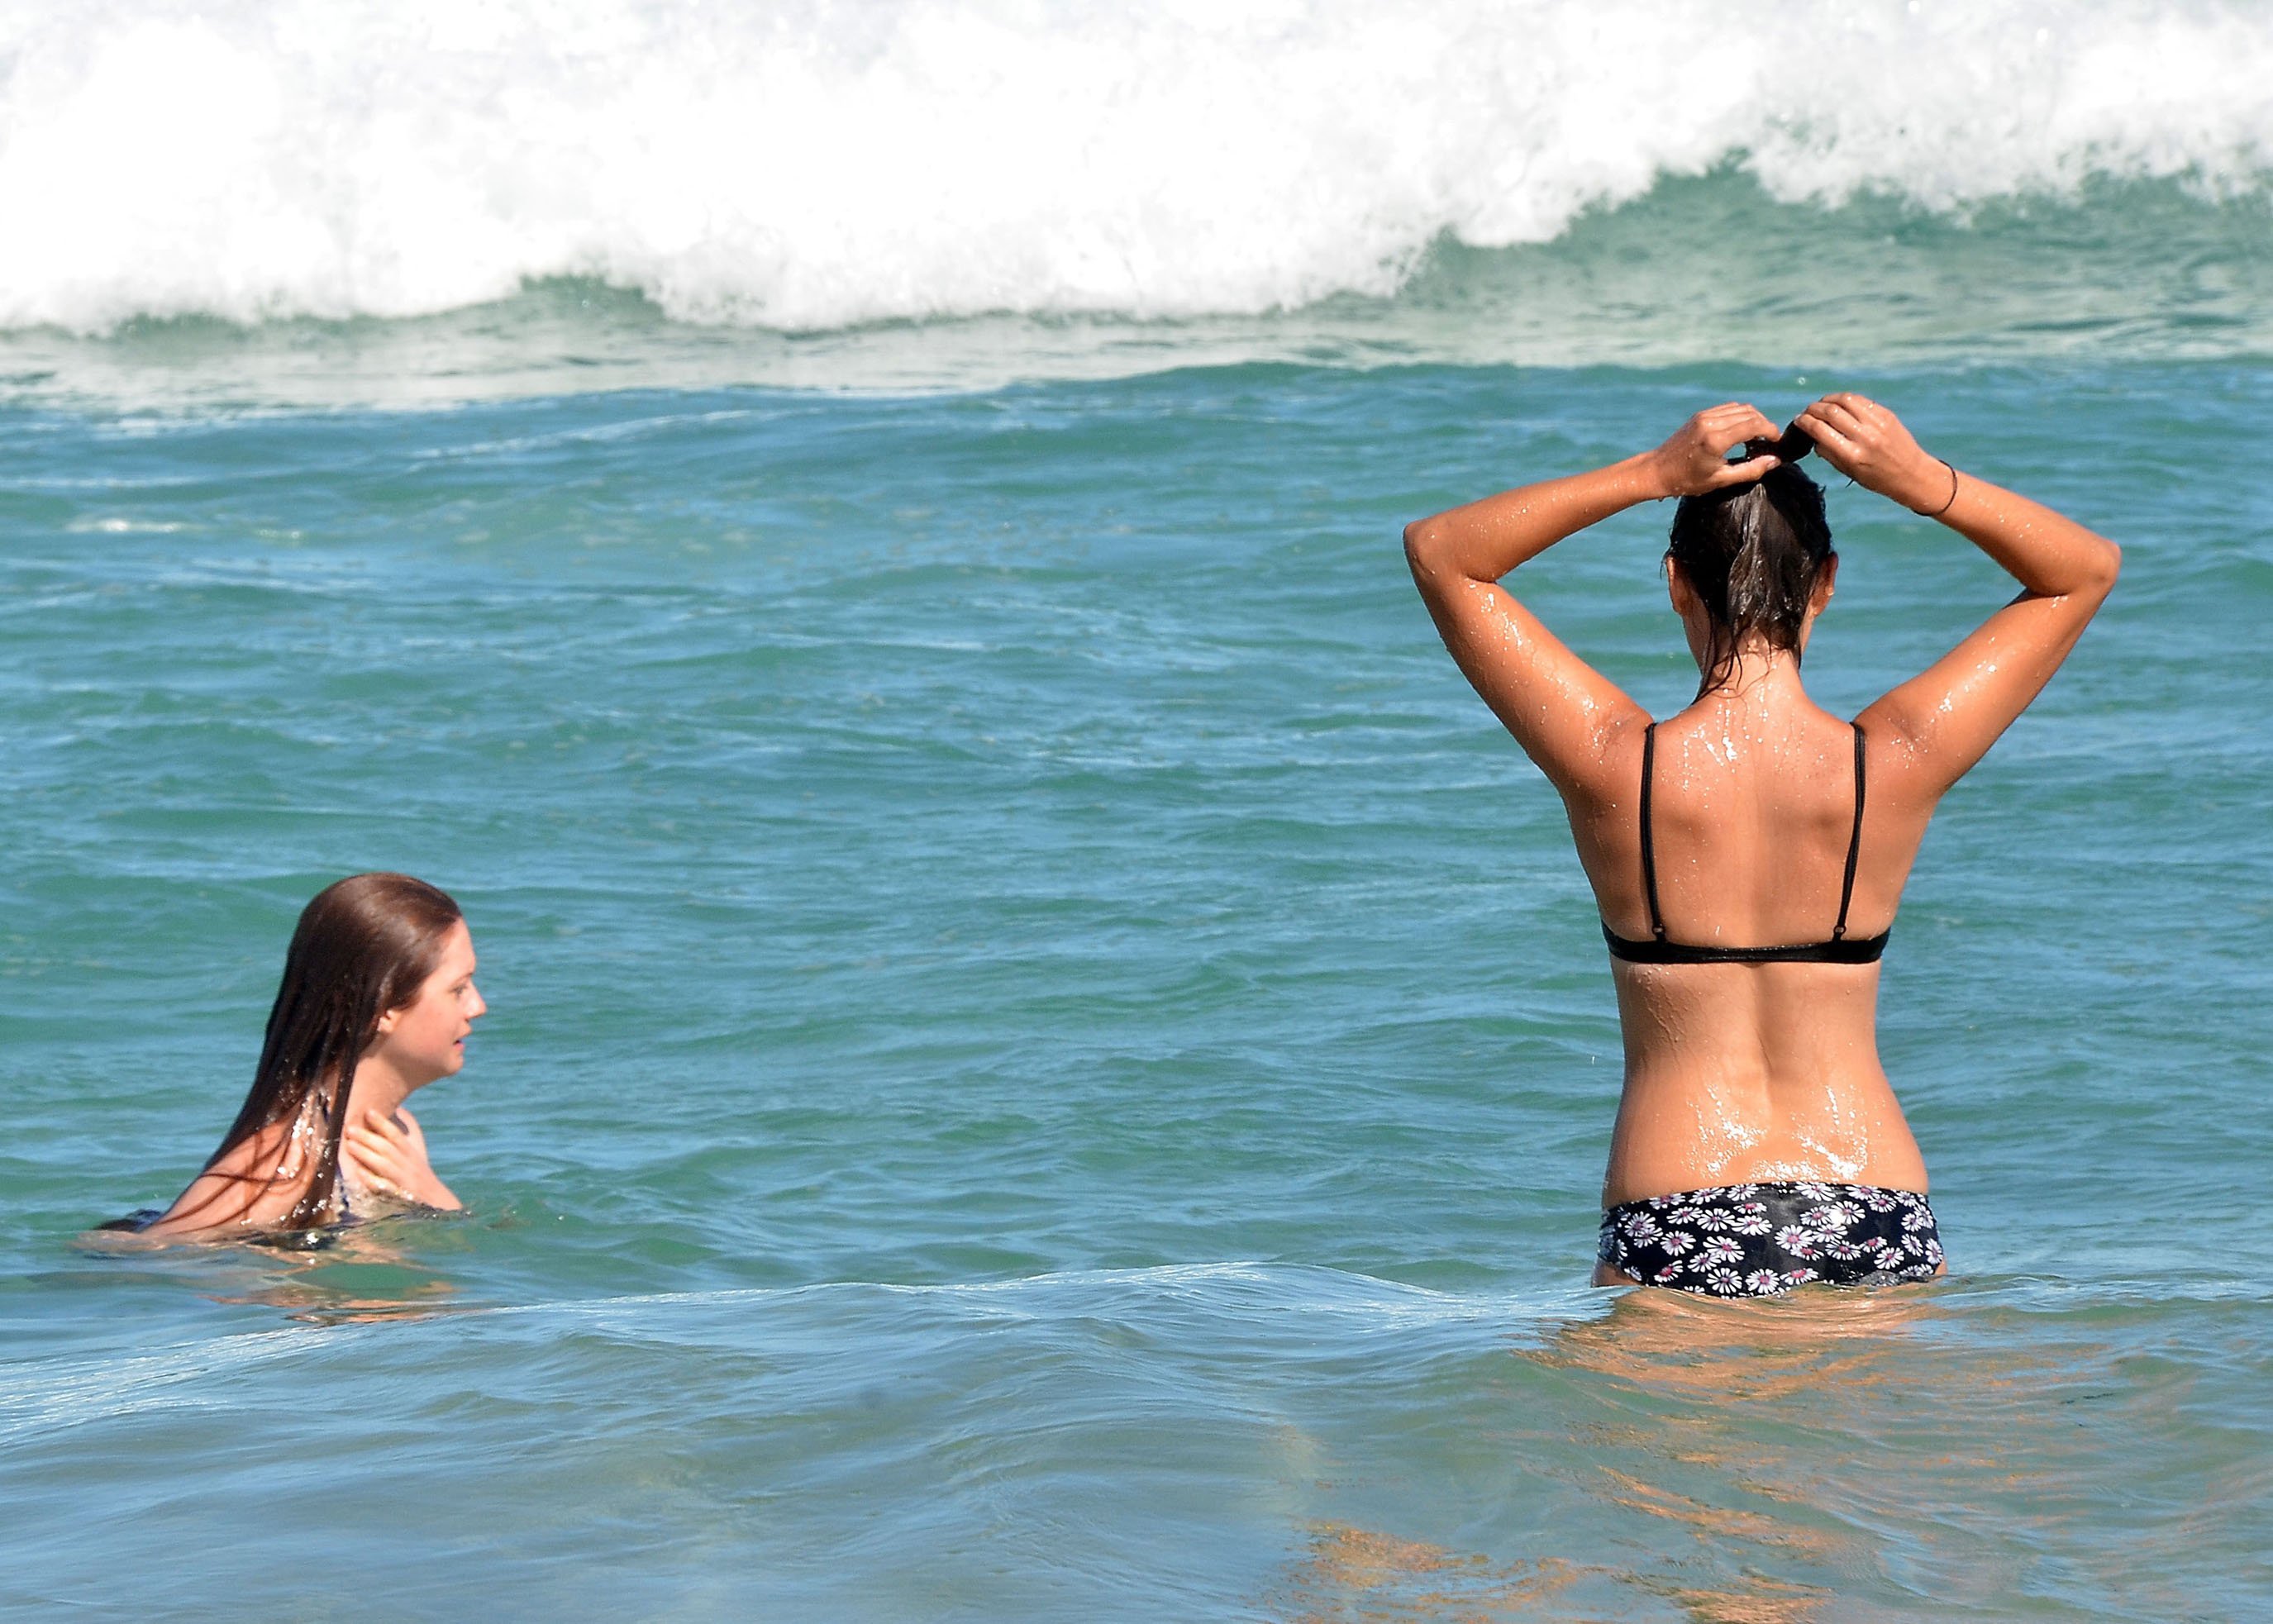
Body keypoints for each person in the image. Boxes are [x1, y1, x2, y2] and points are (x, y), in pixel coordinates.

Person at [1403, 395, 2119, 1298]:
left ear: (1674, 583)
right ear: (1826, 582)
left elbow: (1442, 552)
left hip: (1677, 1199)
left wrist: (1650, 474)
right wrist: (1916, 481)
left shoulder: (1615, 766)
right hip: (1869, 1194)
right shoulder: (1891, 761)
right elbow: (2081, 572)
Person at [124, 872, 485, 1239]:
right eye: (458, 989)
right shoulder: (280, 1170)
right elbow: (148, 1256)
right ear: (384, 1007)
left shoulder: (398, 1138)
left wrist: (432, 1196)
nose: (478, 1006)